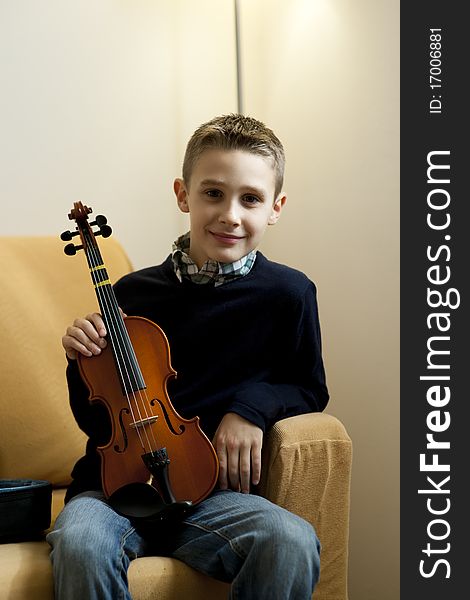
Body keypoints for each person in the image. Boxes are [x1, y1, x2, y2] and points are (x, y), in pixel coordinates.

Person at [47, 113, 329, 599]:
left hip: (210, 496)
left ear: (276, 207)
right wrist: (81, 361)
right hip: (116, 491)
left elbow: (308, 386)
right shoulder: (130, 295)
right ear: (184, 194)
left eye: (251, 199)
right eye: (213, 193)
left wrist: (250, 410)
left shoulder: (289, 293)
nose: (231, 215)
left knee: (291, 540)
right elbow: (98, 423)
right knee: (80, 541)